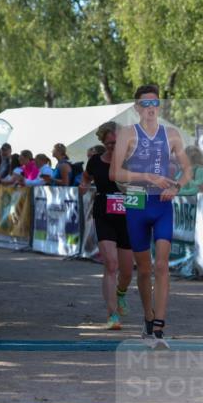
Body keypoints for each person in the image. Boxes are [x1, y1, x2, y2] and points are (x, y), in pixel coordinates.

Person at [110, 84, 191, 345]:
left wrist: (176, 186)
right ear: (137, 108)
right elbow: (115, 174)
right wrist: (145, 176)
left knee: (161, 265)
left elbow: (188, 169)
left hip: (162, 204)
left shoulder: (172, 134)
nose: (150, 108)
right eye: (145, 104)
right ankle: (147, 316)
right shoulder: (127, 134)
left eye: (154, 103)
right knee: (144, 269)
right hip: (136, 203)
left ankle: (159, 326)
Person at [81, 121, 134, 330]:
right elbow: (86, 177)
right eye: (109, 143)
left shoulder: (131, 161)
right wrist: (83, 186)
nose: (113, 146)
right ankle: (112, 315)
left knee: (128, 271)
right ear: (103, 141)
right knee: (111, 264)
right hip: (103, 214)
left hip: (128, 217)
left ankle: (121, 293)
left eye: (117, 142)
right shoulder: (95, 161)